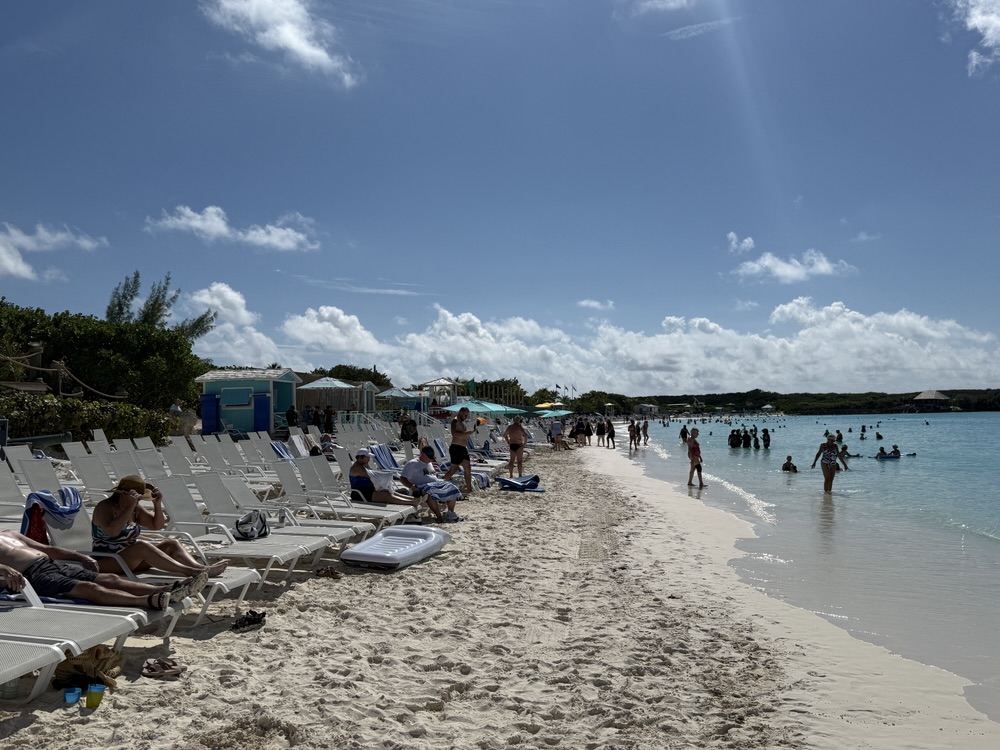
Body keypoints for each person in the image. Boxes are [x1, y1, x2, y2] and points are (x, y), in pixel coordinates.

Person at [0, 530, 207, 610]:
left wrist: (79, 556)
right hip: (31, 576)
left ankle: (169, 588)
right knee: (89, 588)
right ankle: (144, 601)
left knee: (110, 578)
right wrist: (5, 569)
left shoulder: (10, 533)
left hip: (52, 564)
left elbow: (47, 549)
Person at [91, 475, 229, 578]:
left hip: (130, 561)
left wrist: (157, 504)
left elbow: (157, 525)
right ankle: (190, 572)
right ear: (123, 494)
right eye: (137, 497)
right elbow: (112, 532)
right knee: (142, 546)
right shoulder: (104, 507)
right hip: (106, 561)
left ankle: (201, 568)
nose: (139, 500)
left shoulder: (135, 508)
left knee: (172, 543)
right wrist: (130, 506)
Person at [349, 448, 429, 509]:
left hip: (368, 491)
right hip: (360, 494)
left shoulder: (363, 466)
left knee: (390, 492)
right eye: (367, 457)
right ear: (361, 457)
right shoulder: (356, 468)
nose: (369, 459)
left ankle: (413, 499)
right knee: (387, 496)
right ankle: (412, 502)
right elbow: (373, 476)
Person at [399, 446, 457, 523]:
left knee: (451, 487)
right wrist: (412, 487)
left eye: (431, 457)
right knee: (429, 494)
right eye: (429, 457)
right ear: (422, 454)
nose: (430, 459)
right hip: (422, 486)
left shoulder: (429, 463)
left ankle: (450, 513)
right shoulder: (412, 464)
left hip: (435, 483)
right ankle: (439, 517)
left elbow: (431, 475)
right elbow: (402, 478)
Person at [442, 407, 475, 494]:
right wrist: (468, 433)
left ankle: (469, 489)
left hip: (463, 448)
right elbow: (454, 434)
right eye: (465, 415)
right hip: (456, 447)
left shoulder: (463, 423)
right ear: (460, 413)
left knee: (468, 468)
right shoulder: (455, 421)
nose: (466, 417)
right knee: (453, 470)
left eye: (467, 415)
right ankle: (440, 483)